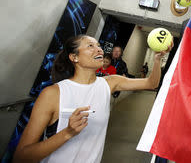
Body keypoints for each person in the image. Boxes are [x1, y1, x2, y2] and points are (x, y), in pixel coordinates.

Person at [13, 35, 171, 163]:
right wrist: (68, 132)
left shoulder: (110, 83)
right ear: (74, 57)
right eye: (90, 46)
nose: (99, 50)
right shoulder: (53, 93)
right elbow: (22, 156)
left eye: (99, 46)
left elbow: (151, 83)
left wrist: (157, 60)